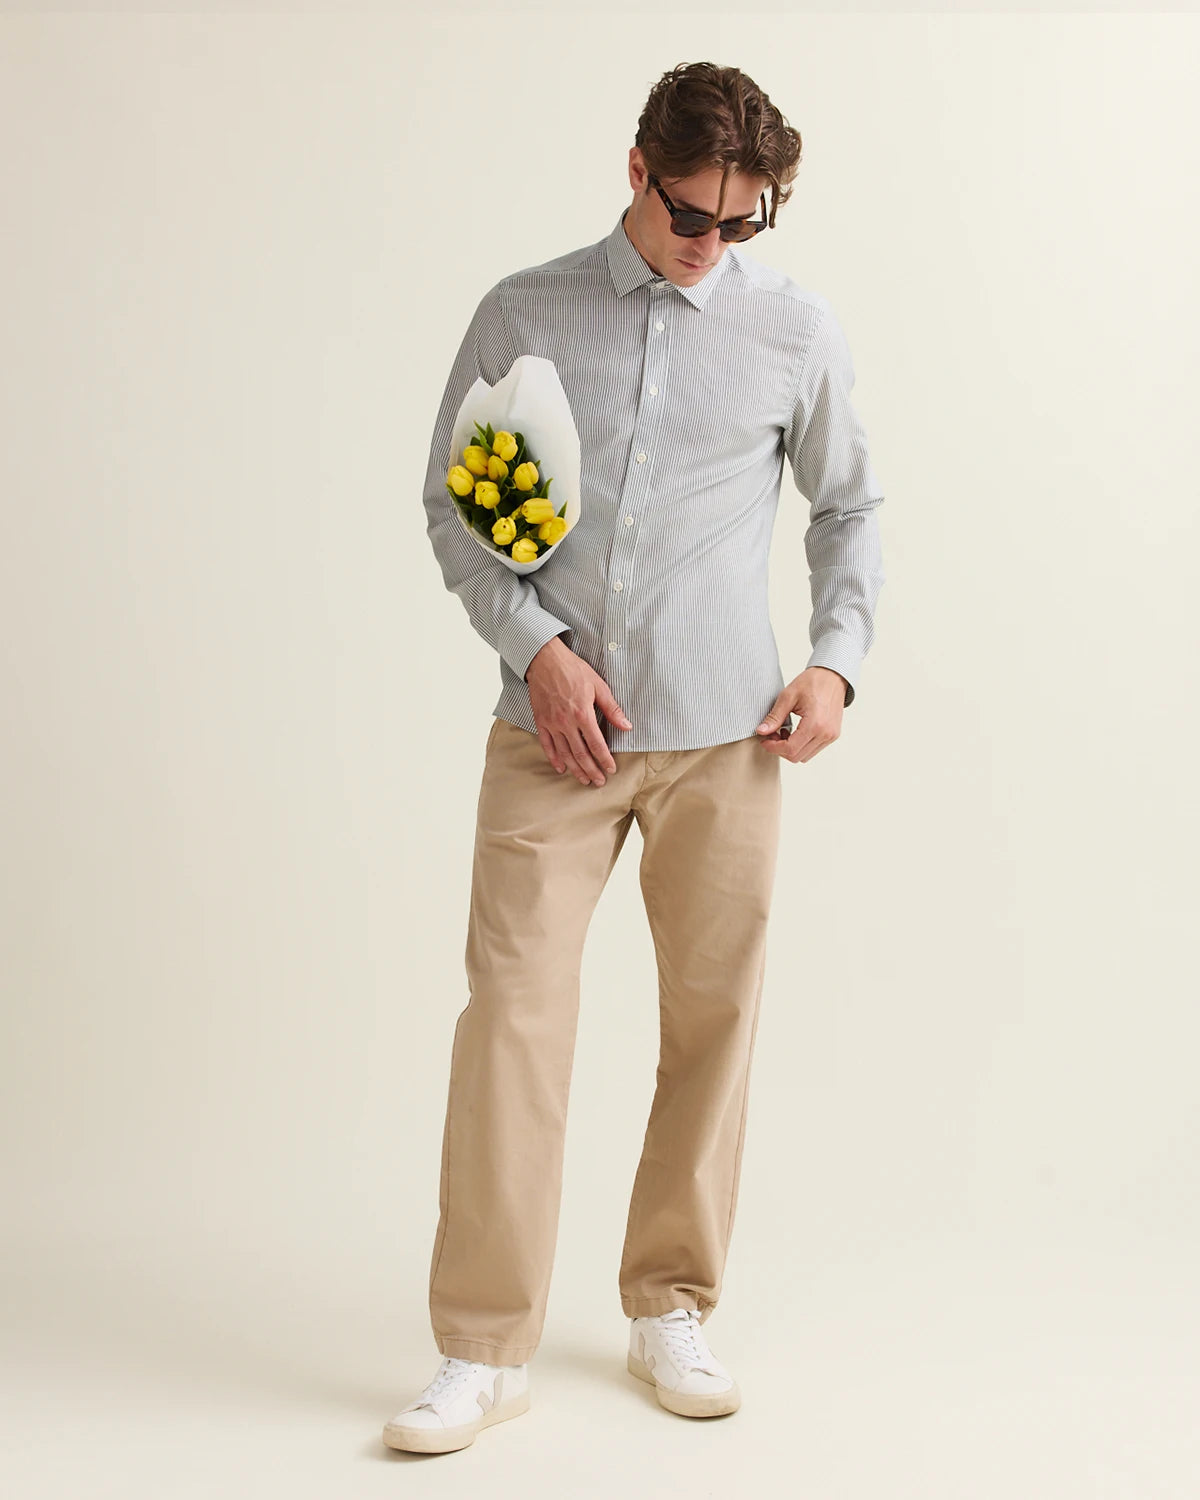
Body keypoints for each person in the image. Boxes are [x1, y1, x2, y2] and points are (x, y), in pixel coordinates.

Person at [383, 60, 886, 1454]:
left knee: (711, 1023)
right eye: (687, 213)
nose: (708, 244)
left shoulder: (792, 330)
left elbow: (850, 508)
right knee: (513, 1022)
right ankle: (482, 1345)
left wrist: (835, 661)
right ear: (635, 169)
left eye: (739, 221)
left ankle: (671, 1300)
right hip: (552, 737)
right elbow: (450, 505)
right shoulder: (525, 311)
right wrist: (535, 651)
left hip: (730, 737)